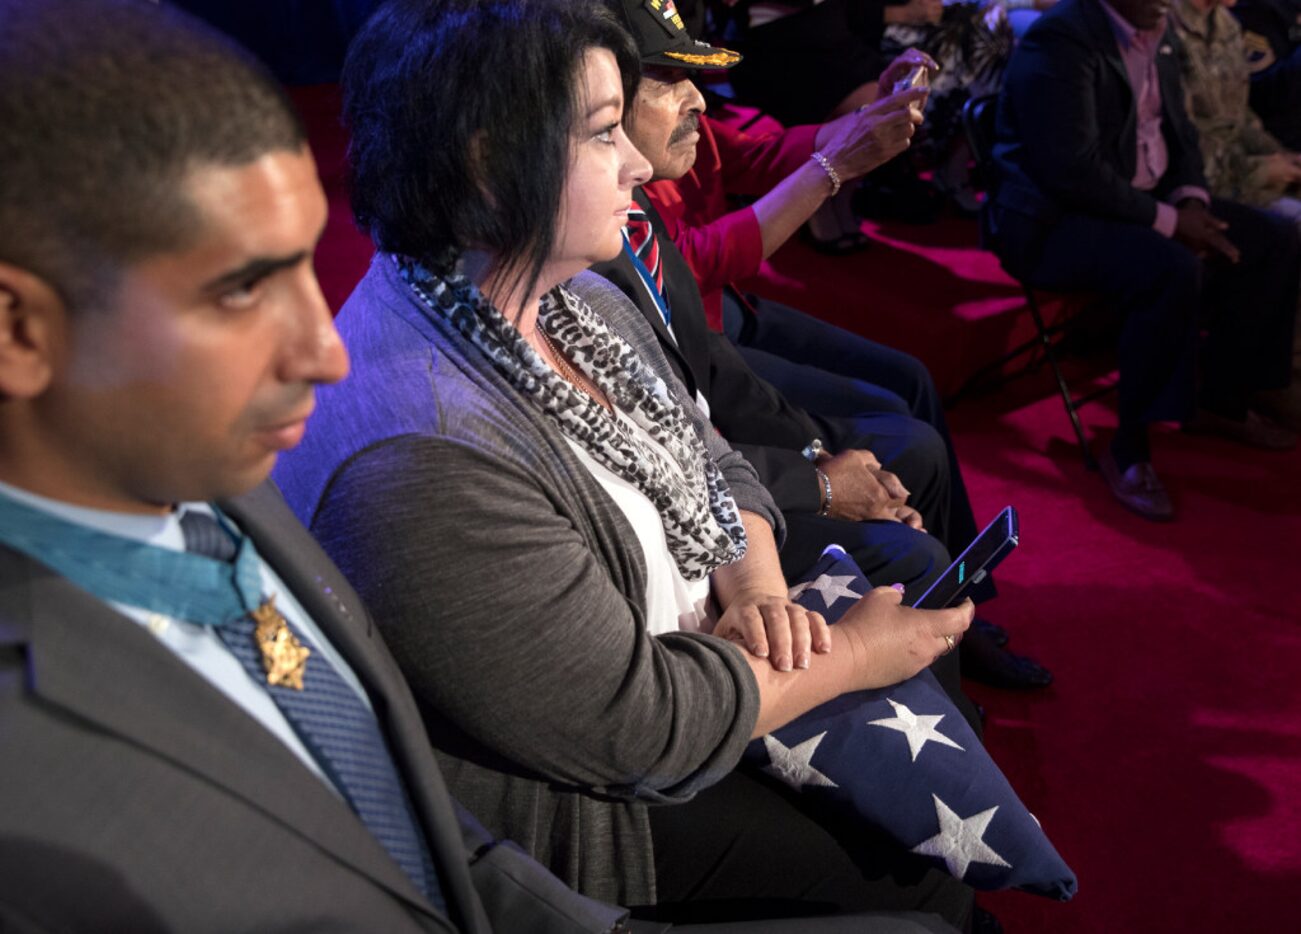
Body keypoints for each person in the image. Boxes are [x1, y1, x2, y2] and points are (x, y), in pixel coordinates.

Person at [273, 0, 975, 926]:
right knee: (916, 881)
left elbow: (711, 450)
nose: (641, 163)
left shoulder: (567, 288)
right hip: (595, 815)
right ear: (489, 164)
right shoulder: (421, 458)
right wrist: (844, 656)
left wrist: (760, 590)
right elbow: (636, 726)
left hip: (704, 672)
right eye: (607, 131)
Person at [0, 2, 633, 931]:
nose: (325, 354)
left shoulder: (219, 478)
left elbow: (398, 816)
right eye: (241, 288)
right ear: (19, 331)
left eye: (305, 265)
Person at [594, 0, 1051, 691]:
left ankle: (958, 615)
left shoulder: (645, 177)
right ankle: (939, 641)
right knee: (904, 458)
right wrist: (818, 479)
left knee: (910, 389)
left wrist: (870, 121)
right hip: (709, 357)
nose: (696, 98)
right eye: (667, 78)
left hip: (717, 335)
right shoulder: (582, 253)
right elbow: (690, 298)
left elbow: (764, 153)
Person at [990, 0, 1300, 521]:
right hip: (1052, 223)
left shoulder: (1159, 32)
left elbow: (1181, 139)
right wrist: (1171, 222)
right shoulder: (1062, 38)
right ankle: (1129, 447)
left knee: (1273, 238)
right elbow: (1071, 172)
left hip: (1135, 202)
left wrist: (1192, 201)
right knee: (1170, 266)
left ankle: (1222, 399)